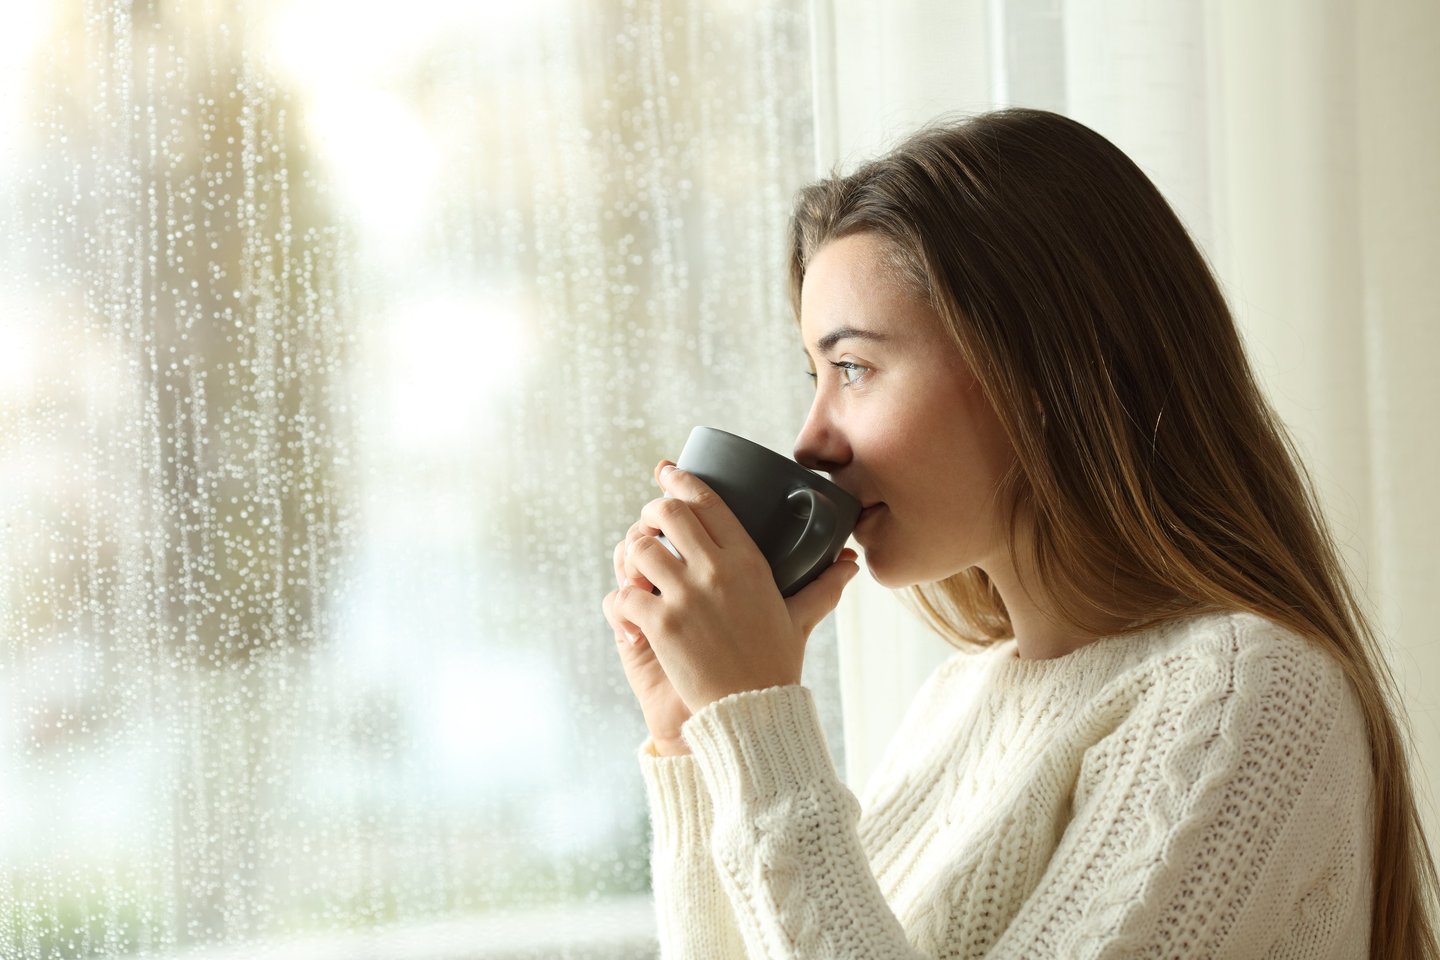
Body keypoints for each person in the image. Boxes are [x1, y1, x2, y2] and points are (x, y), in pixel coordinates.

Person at [600, 108, 1439, 959]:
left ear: (1034, 372)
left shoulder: (1245, 695)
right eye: (815, 374)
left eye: (852, 367)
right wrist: (694, 744)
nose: (812, 439)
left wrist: (758, 721)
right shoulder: (958, 703)